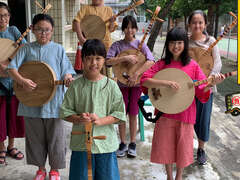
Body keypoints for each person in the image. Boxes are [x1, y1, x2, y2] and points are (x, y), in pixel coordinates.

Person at [140, 27, 225, 180]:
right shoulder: (161, 64)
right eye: (172, 43)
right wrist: (165, 83)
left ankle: (178, 176)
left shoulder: (192, 66)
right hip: (164, 113)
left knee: (182, 148)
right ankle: (169, 177)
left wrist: (211, 84)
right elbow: (144, 80)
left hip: (185, 114)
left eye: (179, 42)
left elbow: (200, 89)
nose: (176, 46)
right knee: (166, 146)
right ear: (167, 44)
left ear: (185, 44)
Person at [7, 14, 75, 180]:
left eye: (47, 30)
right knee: (35, 139)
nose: (43, 33)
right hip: (31, 102)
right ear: (33, 29)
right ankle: (40, 169)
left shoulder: (58, 49)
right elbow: (11, 68)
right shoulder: (25, 48)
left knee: (56, 138)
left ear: (52, 31)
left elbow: (67, 69)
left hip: (54, 102)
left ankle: (54, 170)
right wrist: (22, 81)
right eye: (39, 30)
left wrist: (67, 76)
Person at [60, 39, 126, 180]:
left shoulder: (111, 86)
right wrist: (79, 119)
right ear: (82, 60)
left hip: (105, 144)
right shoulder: (76, 86)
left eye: (98, 58)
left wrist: (101, 121)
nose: (93, 63)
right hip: (81, 144)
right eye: (89, 58)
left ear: (104, 60)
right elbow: (65, 112)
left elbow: (120, 114)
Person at [106, 15, 155, 158]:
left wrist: (136, 74)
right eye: (126, 27)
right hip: (121, 84)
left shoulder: (141, 45)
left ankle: (132, 143)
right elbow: (108, 61)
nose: (129, 30)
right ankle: (122, 143)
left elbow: (151, 61)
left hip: (136, 84)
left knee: (133, 112)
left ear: (136, 29)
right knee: (121, 113)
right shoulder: (117, 45)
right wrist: (124, 58)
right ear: (123, 29)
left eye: (132, 27)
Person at [188, 10, 222, 165]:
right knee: (187, 119)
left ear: (205, 24)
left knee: (203, 119)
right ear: (189, 24)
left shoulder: (211, 41)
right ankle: (186, 147)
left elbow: (218, 62)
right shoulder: (185, 42)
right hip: (188, 88)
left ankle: (201, 149)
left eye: (200, 22)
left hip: (206, 87)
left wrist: (210, 78)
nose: (197, 25)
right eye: (194, 22)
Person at [0, 2, 26, 165]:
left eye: (5, 15)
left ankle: (11, 146)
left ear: (9, 17)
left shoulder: (14, 31)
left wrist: (9, 63)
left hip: (13, 82)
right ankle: (1, 147)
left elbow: (23, 49)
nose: (2, 19)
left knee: (13, 117)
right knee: (0, 119)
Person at [72, 0, 118, 76]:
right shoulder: (85, 8)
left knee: (107, 73)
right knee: (90, 70)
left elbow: (110, 29)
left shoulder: (108, 9)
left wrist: (112, 22)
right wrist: (81, 38)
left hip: (105, 45)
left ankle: (106, 86)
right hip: (90, 46)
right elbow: (77, 21)